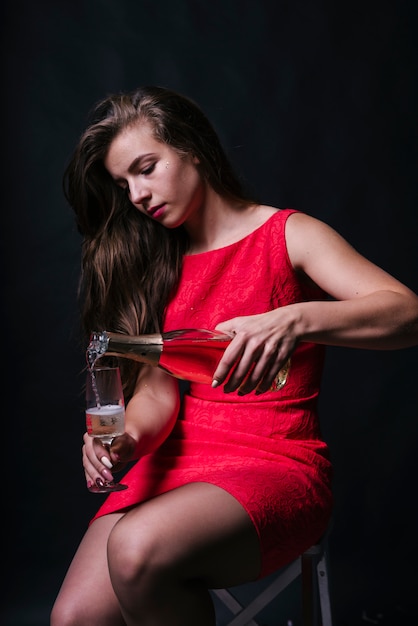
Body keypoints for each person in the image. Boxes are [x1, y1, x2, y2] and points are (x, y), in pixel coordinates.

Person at [51, 85, 418, 626]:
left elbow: (407, 313)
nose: (136, 195)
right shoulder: (157, 263)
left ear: (192, 147)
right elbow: (157, 393)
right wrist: (126, 438)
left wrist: (296, 319)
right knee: (73, 618)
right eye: (124, 183)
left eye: (146, 168)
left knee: (135, 549)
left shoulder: (287, 234)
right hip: (175, 465)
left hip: (274, 464)